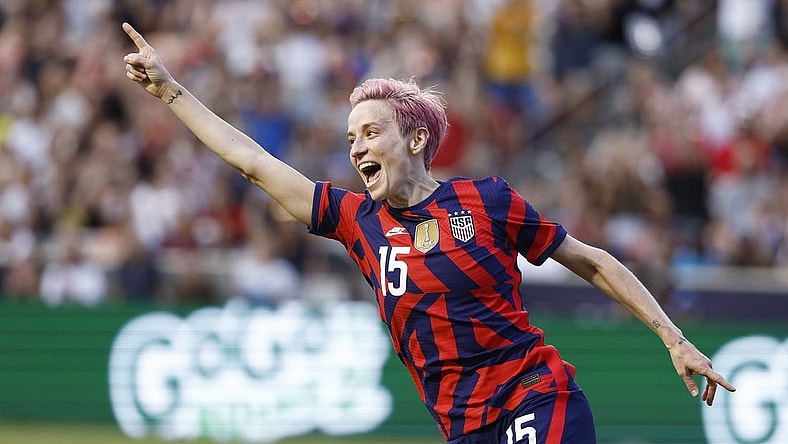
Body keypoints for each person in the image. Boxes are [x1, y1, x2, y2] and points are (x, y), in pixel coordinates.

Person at [121, 22, 735, 444]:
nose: (357, 146)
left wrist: (672, 337)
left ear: (414, 141)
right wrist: (171, 90)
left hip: (534, 394)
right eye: (351, 137)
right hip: (464, 428)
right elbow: (254, 164)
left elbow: (592, 261)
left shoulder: (486, 201)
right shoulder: (358, 222)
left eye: (370, 132)